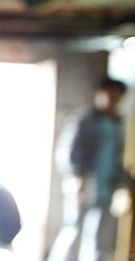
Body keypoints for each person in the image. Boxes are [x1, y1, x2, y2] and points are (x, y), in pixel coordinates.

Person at [49, 77, 131, 261]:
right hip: (83, 186)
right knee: (73, 230)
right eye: (109, 94)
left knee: (99, 238)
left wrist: (124, 180)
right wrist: (78, 178)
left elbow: (116, 158)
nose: (112, 99)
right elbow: (68, 154)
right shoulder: (84, 120)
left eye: (116, 96)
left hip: (105, 188)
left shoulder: (117, 124)